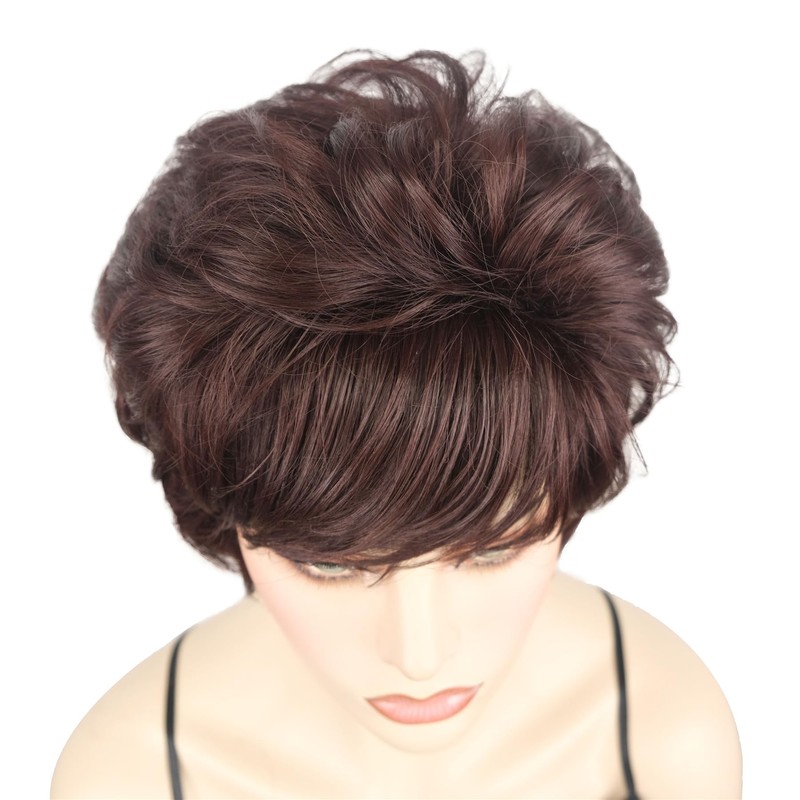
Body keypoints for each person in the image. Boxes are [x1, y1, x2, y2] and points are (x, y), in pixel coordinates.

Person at [51, 48, 742, 799]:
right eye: (331, 566)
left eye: (493, 549)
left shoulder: (657, 733)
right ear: (227, 517)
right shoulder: (130, 777)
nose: (420, 655)